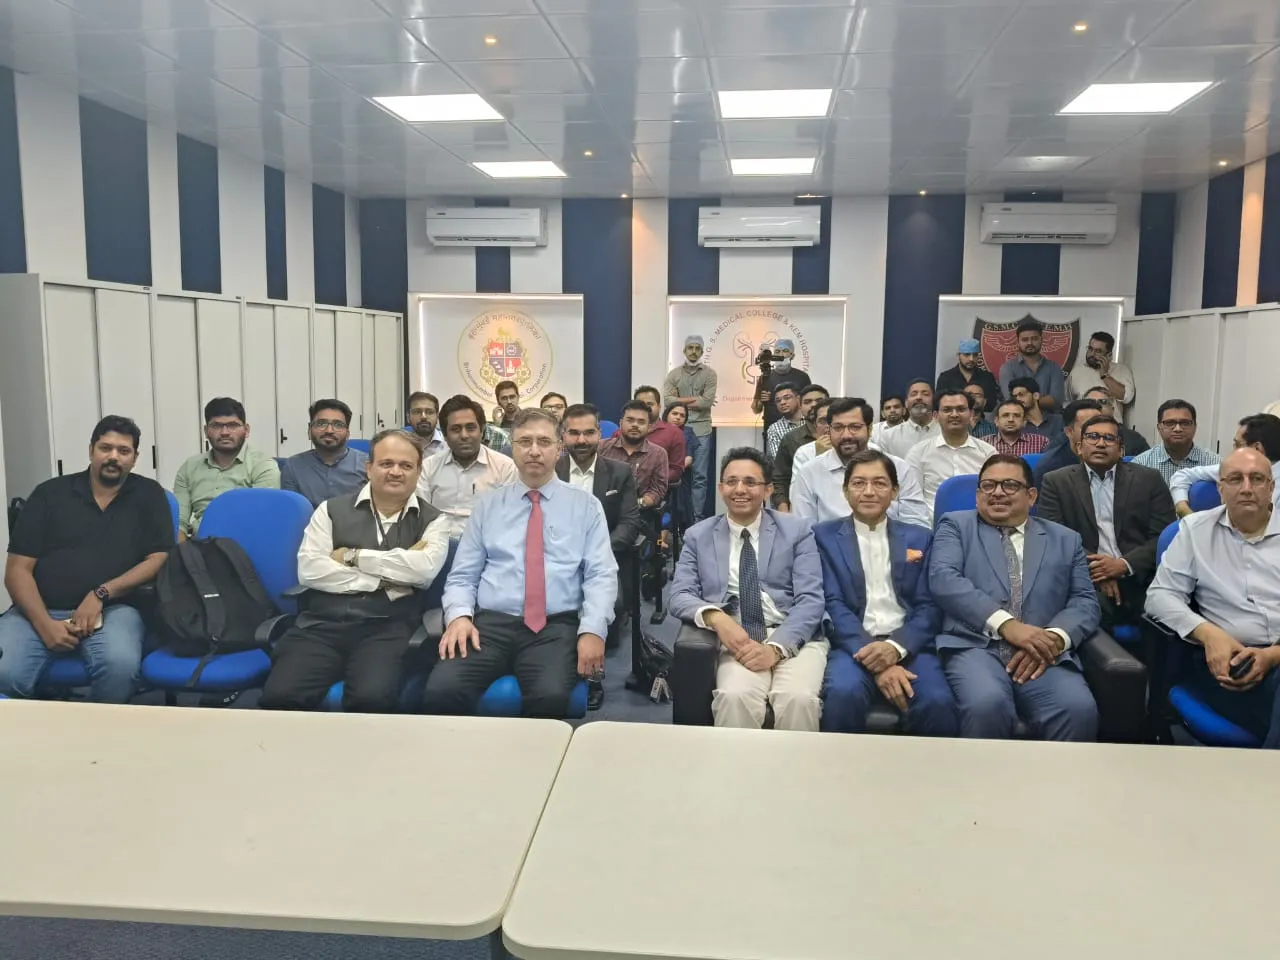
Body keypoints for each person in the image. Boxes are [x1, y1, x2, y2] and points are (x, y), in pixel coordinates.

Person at [423, 409, 618, 717]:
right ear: (511, 448)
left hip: (555, 626)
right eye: (525, 442)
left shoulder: (585, 506)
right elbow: (462, 576)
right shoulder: (488, 505)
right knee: (441, 690)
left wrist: (594, 629)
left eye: (544, 442)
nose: (534, 451)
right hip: (489, 624)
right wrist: (459, 616)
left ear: (559, 448)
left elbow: (601, 575)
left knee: (550, 696)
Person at [260, 430, 451, 712]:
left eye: (406, 465)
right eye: (386, 463)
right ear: (369, 468)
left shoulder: (434, 520)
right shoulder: (329, 510)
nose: (395, 472)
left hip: (387, 628)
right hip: (321, 625)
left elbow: (422, 572)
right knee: (281, 697)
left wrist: (351, 556)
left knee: (371, 700)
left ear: (418, 472)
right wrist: (388, 578)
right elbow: (310, 571)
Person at [0, 416, 173, 702]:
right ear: (91, 450)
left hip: (115, 611)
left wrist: (101, 593)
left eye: (123, 451)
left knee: (119, 667)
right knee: (5, 672)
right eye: (105, 448)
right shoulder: (49, 494)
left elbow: (159, 558)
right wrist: (44, 624)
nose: (113, 457)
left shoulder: (149, 495)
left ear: (134, 458)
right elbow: (17, 570)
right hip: (41, 609)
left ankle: (97, 729)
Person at [929, 454, 1101, 741]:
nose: (997, 492)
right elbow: (944, 580)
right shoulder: (956, 526)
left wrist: (1054, 638)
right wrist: (1007, 625)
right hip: (975, 646)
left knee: (1077, 708)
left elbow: (1085, 601)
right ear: (978, 494)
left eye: (1009, 485)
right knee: (987, 704)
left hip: (1042, 651)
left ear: (1031, 496)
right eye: (988, 485)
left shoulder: (1065, 539)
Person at [669, 447, 826, 730]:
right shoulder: (698, 536)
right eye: (731, 481)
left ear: (768, 490)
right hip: (737, 636)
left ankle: (796, 763)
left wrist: (776, 648)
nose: (739, 489)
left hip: (792, 633)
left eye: (750, 482)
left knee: (798, 699)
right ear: (721, 488)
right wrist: (717, 619)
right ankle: (736, 762)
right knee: (734, 697)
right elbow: (680, 595)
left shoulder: (797, 531)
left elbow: (810, 600)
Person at [814, 450, 958, 736]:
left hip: (910, 644)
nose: (869, 491)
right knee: (843, 694)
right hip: (851, 644)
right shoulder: (822, 537)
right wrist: (876, 659)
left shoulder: (921, 538)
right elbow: (831, 602)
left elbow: (930, 604)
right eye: (858, 483)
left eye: (879, 483)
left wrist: (894, 648)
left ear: (895, 491)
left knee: (938, 702)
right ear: (845, 491)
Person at [1145, 447, 1280, 748]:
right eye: (1236, 479)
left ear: (1271, 487)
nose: (1247, 488)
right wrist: (1208, 634)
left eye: (1257, 479)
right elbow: (1160, 595)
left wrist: (1273, 655)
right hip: (1232, 662)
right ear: (1220, 489)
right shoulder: (1195, 531)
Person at [1036, 415, 1175, 630]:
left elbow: (1164, 536)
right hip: (1085, 579)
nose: (1101, 443)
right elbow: (1054, 537)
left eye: (1109, 438)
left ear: (1121, 450)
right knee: (1089, 613)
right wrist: (1100, 572)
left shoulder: (1149, 480)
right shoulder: (1056, 482)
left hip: (1140, 576)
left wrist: (1122, 565)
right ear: (1079, 447)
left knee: (1168, 618)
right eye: (1093, 437)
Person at [558, 403, 643, 709]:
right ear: (563, 435)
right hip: (554, 561)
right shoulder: (550, 470)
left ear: (600, 434)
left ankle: (593, 675)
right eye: (574, 433)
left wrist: (594, 553)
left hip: (602, 561)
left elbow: (630, 523)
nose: (581, 440)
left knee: (610, 604)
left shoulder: (619, 472)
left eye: (589, 432)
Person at [792, 398, 929, 527]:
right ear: (829, 430)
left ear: (870, 429)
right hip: (829, 544)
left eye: (855, 427)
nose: (846, 435)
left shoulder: (899, 468)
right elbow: (803, 530)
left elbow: (916, 523)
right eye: (838, 427)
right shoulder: (809, 473)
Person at [173, 397, 280, 538]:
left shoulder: (262, 465)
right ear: (206, 431)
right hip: (199, 543)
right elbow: (179, 522)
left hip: (244, 543)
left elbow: (260, 518)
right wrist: (181, 550)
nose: (225, 432)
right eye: (216, 426)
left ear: (246, 430)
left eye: (233, 425)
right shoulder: (189, 467)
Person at [417, 394, 517, 537]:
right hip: (438, 543)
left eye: (470, 428)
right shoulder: (428, 467)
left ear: (481, 431)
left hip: (487, 543)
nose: (464, 435)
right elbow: (421, 518)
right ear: (445, 435)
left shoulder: (505, 468)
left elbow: (510, 519)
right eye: (456, 429)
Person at [905, 390, 997, 524]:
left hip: (978, 526)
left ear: (971, 414)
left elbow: (995, 495)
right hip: (932, 527)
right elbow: (911, 499)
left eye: (961, 409)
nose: (954, 414)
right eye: (947, 410)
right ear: (936, 416)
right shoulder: (918, 453)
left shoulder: (988, 453)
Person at [1171, 413, 1280, 517]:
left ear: (1257, 449)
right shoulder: (1233, 469)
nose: (1233, 452)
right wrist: (1183, 509)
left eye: (1237, 445)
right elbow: (1182, 476)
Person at [663, 334, 718, 523]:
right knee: (672, 473)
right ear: (684, 350)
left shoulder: (710, 374)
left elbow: (707, 402)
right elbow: (667, 401)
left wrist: (679, 400)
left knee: (699, 477)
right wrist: (695, 400)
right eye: (690, 348)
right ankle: (672, 520)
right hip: (676, 430)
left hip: (701, 429)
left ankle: (697, 520)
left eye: (697, 348)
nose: (693, 352)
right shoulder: (674, 375)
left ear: (702, 352)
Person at [280, 399, 369, 508]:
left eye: (338, 425)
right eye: (321, 424)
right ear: (309, 430)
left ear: (347, 433)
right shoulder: (293, 466)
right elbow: (292, 510)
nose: (329, 430)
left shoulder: (367, 465)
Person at [1131, 398, 1220, 487]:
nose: (1178, 429)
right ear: (1159, 428)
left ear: (1195, 427)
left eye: (1185, 423)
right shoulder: (1140, 464)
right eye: (1170, 423)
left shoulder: (1215, 463)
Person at [599, 400, 668, 510]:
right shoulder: (601, 447)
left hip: (640, 511)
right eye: (630, 420)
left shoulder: (658, 454)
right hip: (603, 508)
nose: (635, 425)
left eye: (641, 422)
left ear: (649, 427)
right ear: (621, 423)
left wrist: (638, 503)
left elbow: (658, 489)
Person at [771, 385, 831, 509]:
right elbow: (780, 478)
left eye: (819, 401)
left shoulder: (842, 437)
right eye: (807, 402)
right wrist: (784, 511)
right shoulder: (791, 439)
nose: (813, 405)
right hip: (800, 505)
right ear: (800, 406)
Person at [1032, 399, 1105, 487]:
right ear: (1069, 432)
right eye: (1088, 427)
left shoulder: (1111, 458)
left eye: (1101, 426)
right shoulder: (1049, 468)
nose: (1097, 432)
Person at [997, 318, 1067, 410]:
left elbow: (1056, 401)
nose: (1030, 343)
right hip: (1019, 418)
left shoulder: (1054, 367)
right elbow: (1011, 401)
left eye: (1034, 339)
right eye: (1025, 340)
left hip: (1050, 418)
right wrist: (1039, 400)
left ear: (1041, 340)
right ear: (1018, 342)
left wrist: (1026, 400)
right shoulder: (1008, 368)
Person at [750, 339, 811, 432]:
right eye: (777, 351)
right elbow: (756, 409)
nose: (781, 354)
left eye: (785, 351)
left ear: (792, 355)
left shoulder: (802, 377)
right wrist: (760, 401)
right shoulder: (765, 377)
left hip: (797, 429)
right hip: (772, 430)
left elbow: (809, 406)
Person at [634, 385, 686, 490]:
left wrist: (648, 481)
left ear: (659, 407)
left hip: (657, 491)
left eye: (650, 404)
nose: (645, 408)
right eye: (640, 405)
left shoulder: (674, 433)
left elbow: (676, 470)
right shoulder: (621, 433)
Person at [1068, 331, 1134, 412]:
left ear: (1109, 355)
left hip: (1110, 419)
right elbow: (1070, 402)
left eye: (1098, 351)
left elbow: (1127, 397)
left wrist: (1105, 375)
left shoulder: (1121, 370)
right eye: (1090, 349)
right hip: (1083, 418)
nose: (1092, 354)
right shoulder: (1077, 371)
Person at [874, 379, 939, 458]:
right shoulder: (888, 437)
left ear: (934, 401)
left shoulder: (945, 433)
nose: (919, 397)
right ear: (906, 403)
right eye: (914, 394)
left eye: (925, 394)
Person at [1080, 387, 1149, 454]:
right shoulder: (1075, 434)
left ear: (1112, 409)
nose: (1096, 405)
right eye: (1090, 402)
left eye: (1103, 402)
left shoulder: (1133, 439)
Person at [936, 338, 1002, 408]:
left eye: (975, 355)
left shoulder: (987, 377)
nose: (971, 359)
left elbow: (992, 404)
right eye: (967, 355)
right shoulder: (946, 378)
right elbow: (939, 404)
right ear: (958, 355)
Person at [664, 402, 700, 530]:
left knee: (679, 491)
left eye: (682, 415)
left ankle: (680, 532)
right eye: (674, 413)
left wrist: (673, 470)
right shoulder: (657, 430)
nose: (678, 417)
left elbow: (688, 459)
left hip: (679, 475)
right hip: (657, 476)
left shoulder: (687, 432)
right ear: (667, 414)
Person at [791, 395, 834, 473]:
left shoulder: (854, 447)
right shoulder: (804, 453)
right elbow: (801, 481)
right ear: (815, 425)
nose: (828, 425)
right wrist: (819, 456)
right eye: (822, 421)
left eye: (833, 420)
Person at [764, 382, 804, 459]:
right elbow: (780, 460)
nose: (782, 402)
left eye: (787, 398)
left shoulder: (811, 421)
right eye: (778, 400)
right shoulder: (774, 429)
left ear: (798, 399)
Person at [407, 391, 446, 456]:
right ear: (408, 417)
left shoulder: (449, 445)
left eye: (430, 412)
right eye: (417, 412)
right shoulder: (399, 444)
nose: (423, 417)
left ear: (437, 417)